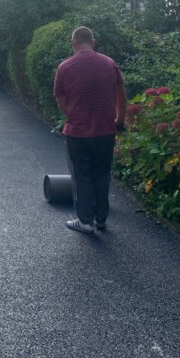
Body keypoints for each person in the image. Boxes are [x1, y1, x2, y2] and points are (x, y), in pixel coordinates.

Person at [53, 26, 127, 234]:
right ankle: (101, 219)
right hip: (105, 131)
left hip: (77, 133)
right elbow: (121, 95)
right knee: (102, 174)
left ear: (74, 43)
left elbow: (61, 100)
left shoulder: (65, 67)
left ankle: (84, 221)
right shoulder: (109, 64)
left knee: (81, 175)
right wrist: (119, 121)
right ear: (93, 43)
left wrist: (73, 116)